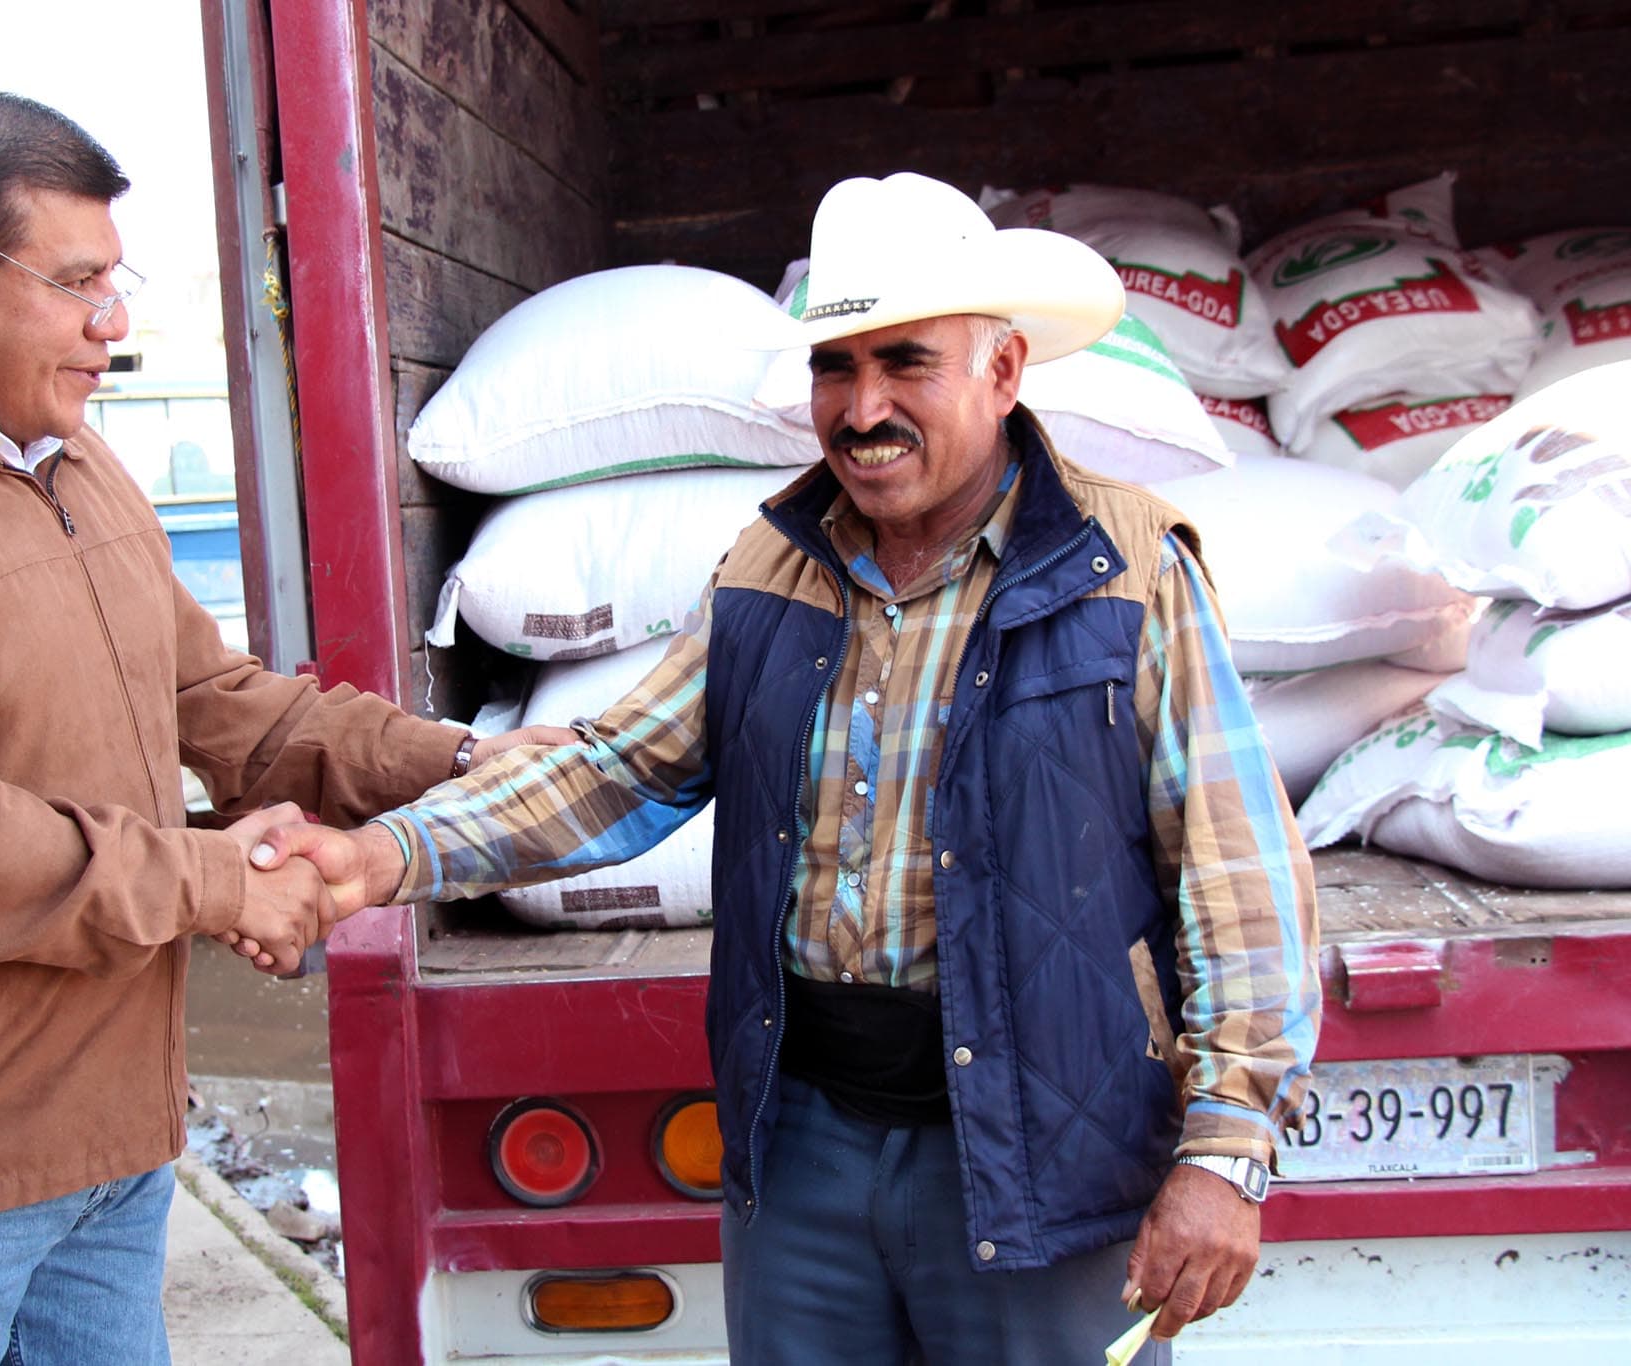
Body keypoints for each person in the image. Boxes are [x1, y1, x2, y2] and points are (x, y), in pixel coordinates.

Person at [245, 173, 1323, 1364]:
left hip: (1043, 1148)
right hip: (805, 1143)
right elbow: (613, 768)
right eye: (832, 368)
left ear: (1002, 372)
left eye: (904, 362)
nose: (860, 409)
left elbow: (1241, 880)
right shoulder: (770, 564)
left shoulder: (1124, 568)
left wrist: (1223, 1153)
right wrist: (374, 853)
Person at [0, 88, 564, 1364]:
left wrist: (466, 760)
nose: (114, 323)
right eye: (78, 282)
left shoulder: (66, 460)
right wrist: (222, 881)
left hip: (107, 1138)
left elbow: (215, 703)